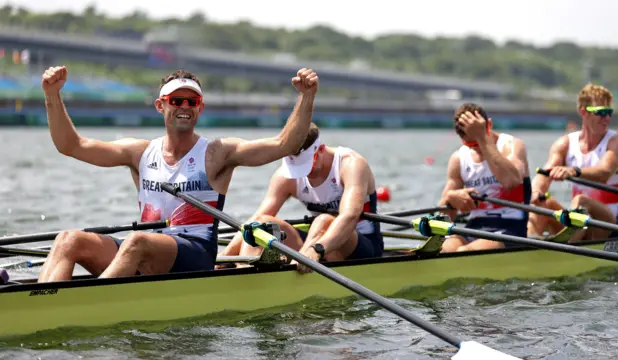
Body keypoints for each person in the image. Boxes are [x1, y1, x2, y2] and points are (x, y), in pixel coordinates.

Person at [37, 65, 318, 282]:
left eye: (191, 102)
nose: (184, 107)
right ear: (161, 105)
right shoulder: (139, 153)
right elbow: (71, 146)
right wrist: (51, 95)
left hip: (194, 253)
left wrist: (307, 97)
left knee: (137, 241)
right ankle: (39, 303)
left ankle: (88, 306)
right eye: (177, 100)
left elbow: (285, 144)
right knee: (68, 239)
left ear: (200, 108)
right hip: (147, 250)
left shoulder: (218, 153)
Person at [218, 122, 383, 273]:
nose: (301, 173)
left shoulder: (351, 164)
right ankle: (244, 274)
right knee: (261, 225)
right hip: (316, 242)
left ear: (320, 150)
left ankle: (306, 259)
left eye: (305, 166)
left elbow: (350, 216)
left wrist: (316, 249)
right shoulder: (285, 175)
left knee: (324, 220)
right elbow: (254, 221)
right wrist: (224, 257)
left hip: (362, 247)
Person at [527, 83, 618, 242]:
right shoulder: (565, 144)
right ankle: (530, 247)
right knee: (542, 203)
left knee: (581, 201)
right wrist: (536, 191)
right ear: (583, 112)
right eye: (601, 112)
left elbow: (604, 172)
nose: (607, 118)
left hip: (609, 226)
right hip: (581, 223)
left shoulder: (617, 143)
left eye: (609, 112)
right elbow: (544, 174)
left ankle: (565, 249)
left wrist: (574, 171)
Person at [437, 103, 531, 252]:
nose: (477, 147)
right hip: (474, 228)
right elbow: (442, 217)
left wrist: (482, 139)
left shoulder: (512, 145)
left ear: (489, 125)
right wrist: (451, 197)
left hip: (511, 230)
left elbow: (511, 181)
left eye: (478, 140)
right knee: (444, 249)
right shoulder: (458, 159)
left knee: (464, 252)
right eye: (471, 144)